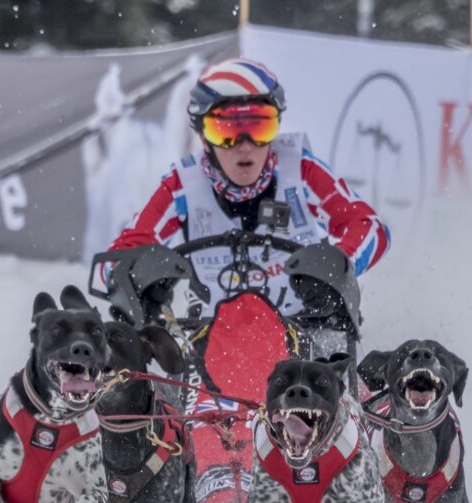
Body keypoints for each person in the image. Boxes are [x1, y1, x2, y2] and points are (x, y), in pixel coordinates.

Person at [108, 58, 390, 321]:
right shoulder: (182, 185)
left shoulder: (301, 171)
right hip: (212, 340)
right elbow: (116, 258)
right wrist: (139, 277)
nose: (245, 145)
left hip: (307, 334)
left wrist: (336, 267)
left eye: (260, 128)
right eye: (226, 131)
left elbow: (371, 228)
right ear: (204, 138)